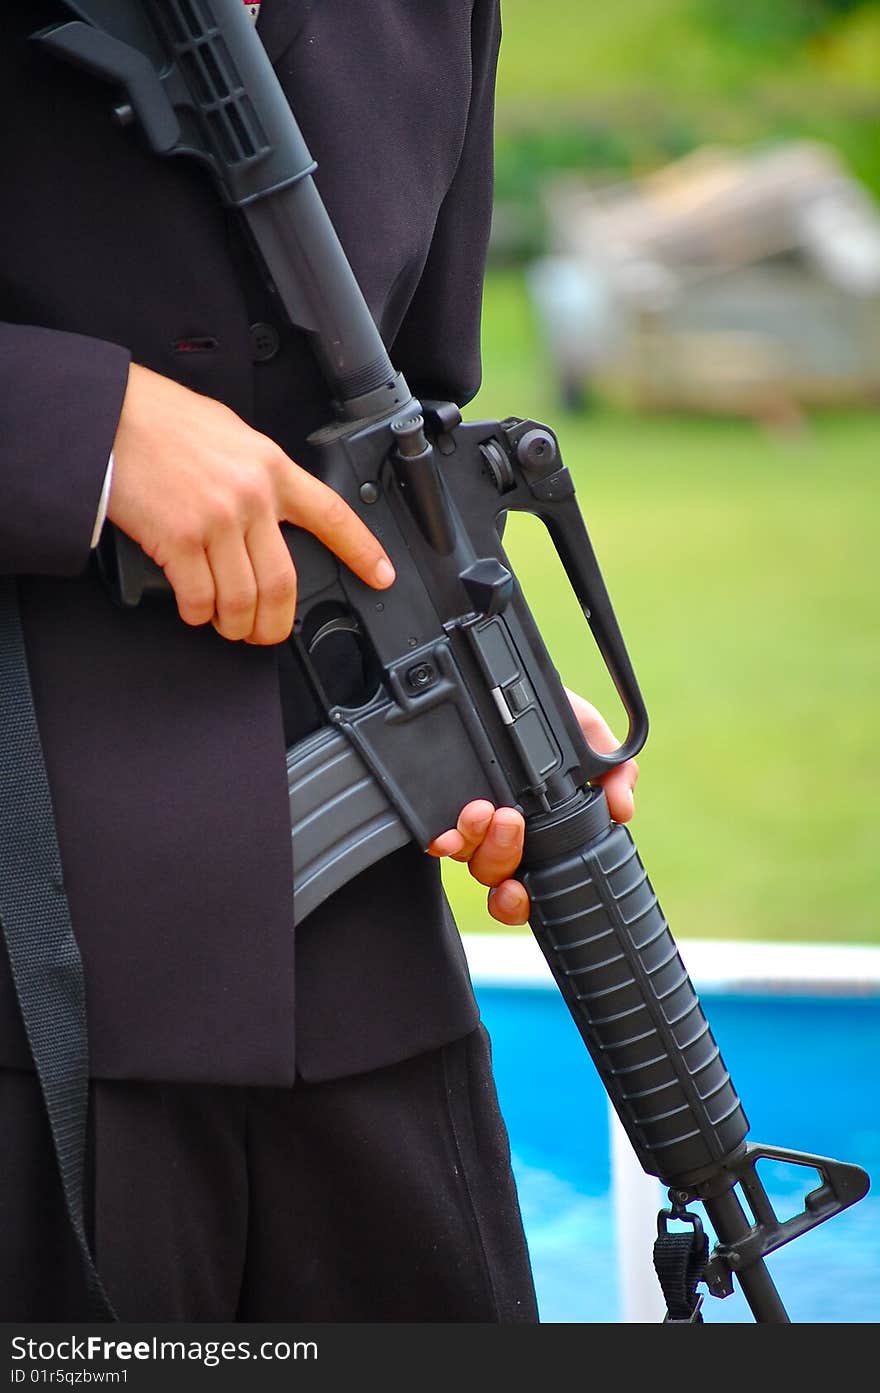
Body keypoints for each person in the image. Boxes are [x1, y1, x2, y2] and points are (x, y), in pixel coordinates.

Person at [0, 0, 638, 1321]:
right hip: (29, 967)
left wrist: (482, 686)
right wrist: (86, 426)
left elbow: (408, 427)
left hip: (358, 987)